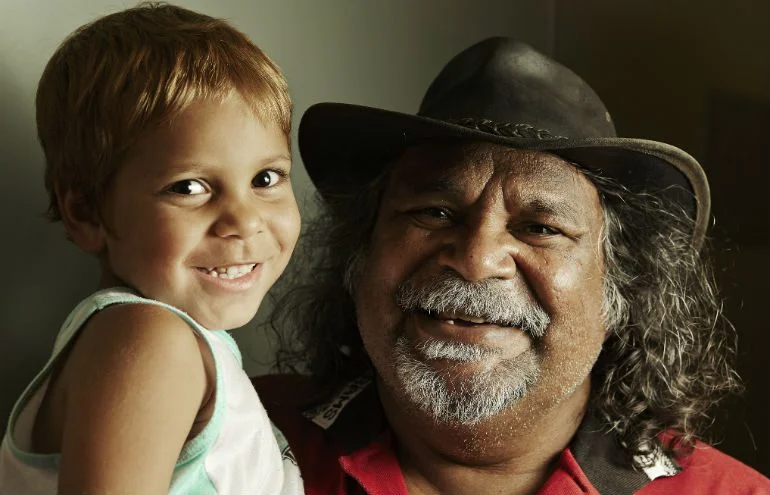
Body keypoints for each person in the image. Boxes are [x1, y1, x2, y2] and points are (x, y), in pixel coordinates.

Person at [256, 37, 770, 494]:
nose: (477, 260)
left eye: (541, 228)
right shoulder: (227, 430)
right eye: (434, 213)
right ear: (360, 257)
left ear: (622, 287)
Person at [0, 3, 303, 494]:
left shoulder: (164, 340)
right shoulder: (149, 341)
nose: (245, 221)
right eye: (189, 188)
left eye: (265, 178)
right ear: (87, 214)